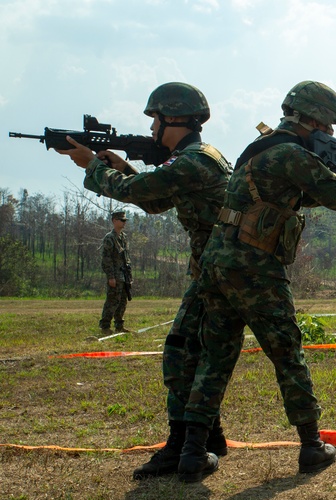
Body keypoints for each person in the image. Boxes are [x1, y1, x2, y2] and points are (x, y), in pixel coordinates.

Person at [178, 80, 336, 482]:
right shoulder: (292, 151)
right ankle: (311, 446)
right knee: (287, 352)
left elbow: (299, 196)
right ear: (315, 120)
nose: (329, 136)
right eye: (328, 129)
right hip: (255, 265)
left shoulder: (259, 149)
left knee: (215, 355)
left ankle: (192, 452)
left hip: (217, 263)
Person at [56, 82, 232, 479]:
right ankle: (205, 439)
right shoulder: (195, 159)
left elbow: (141, 192)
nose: (151, 127)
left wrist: (95, 166)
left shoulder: (192, 160)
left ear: (172, 118)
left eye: (154, 118)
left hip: (219, 271)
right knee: (195, 352)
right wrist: (121, 167)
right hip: (217, 268)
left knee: (182, 351)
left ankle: (183, 446)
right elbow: (154, 200)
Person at [99, 210, 132, 335]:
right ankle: (105, 326)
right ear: (114, 221)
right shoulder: (109, 238)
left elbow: (126, 257)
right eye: (121, 220)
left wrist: (129, 275)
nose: (124, 223)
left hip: (124, 274)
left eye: (125, 220)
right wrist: (110, 276)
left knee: (123, 300)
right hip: (115, 275)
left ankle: (119, 325)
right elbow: (106, 259)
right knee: (112, 300)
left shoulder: (123, 237)